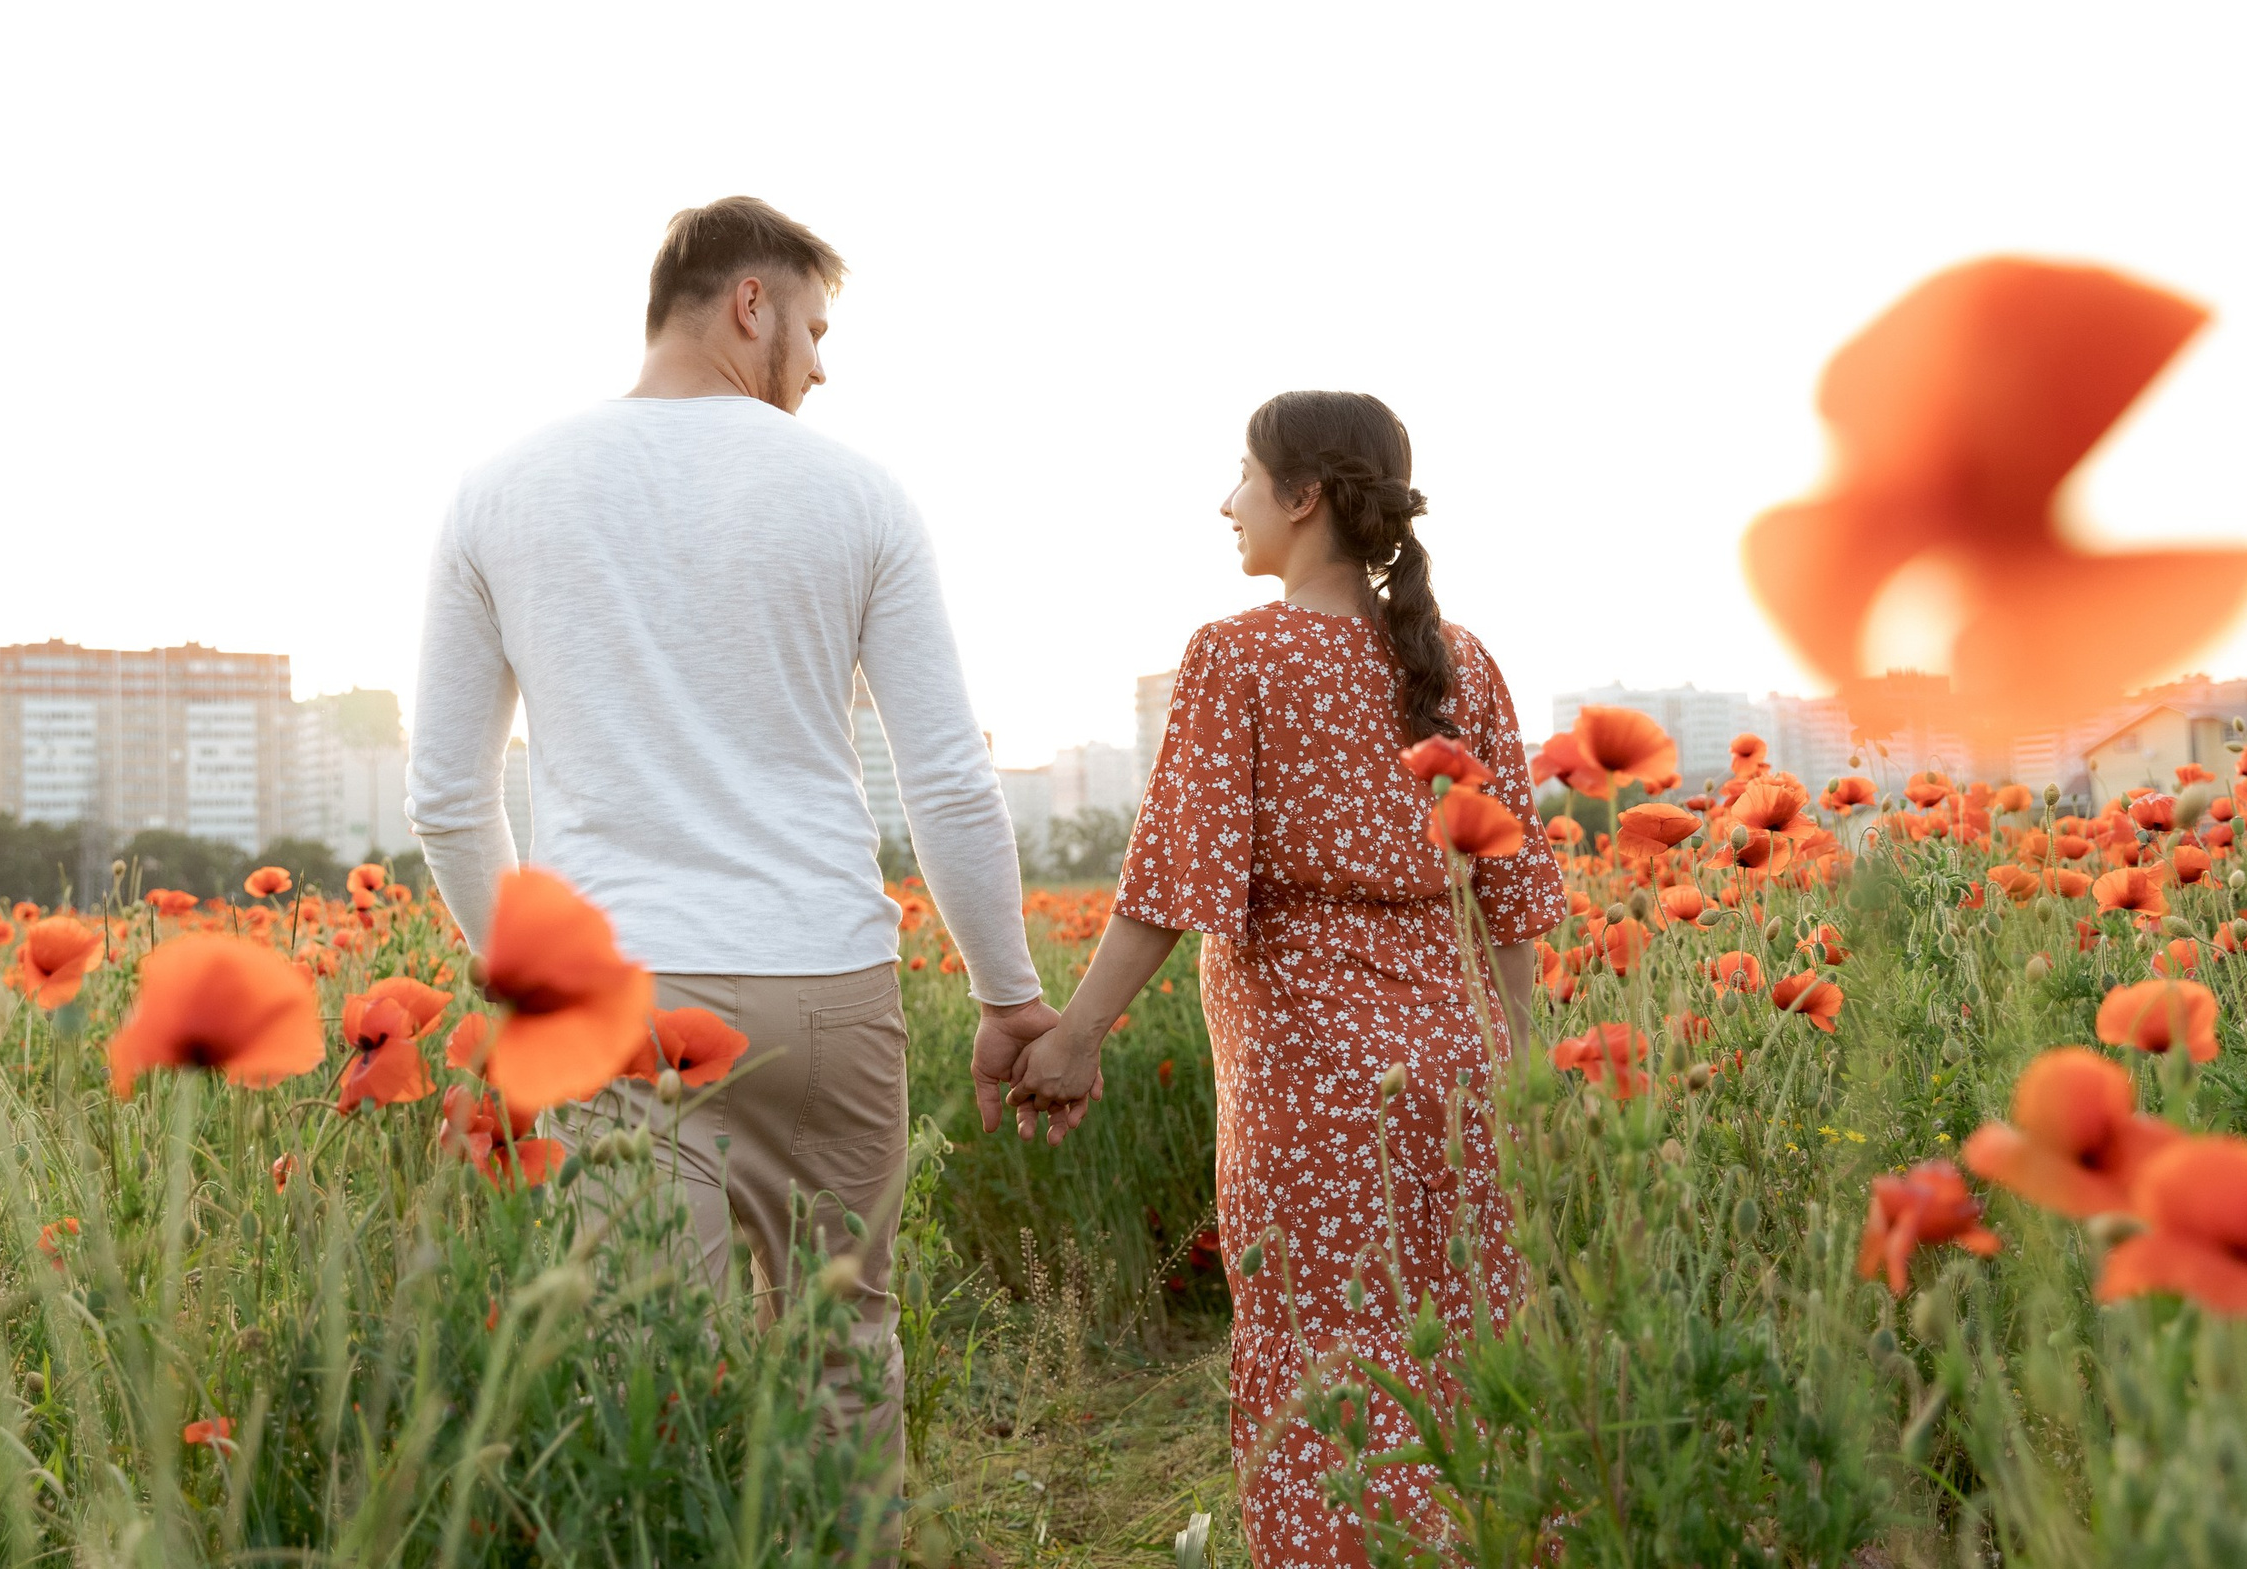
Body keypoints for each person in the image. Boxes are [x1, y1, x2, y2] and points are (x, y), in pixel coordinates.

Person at [405, 196, 1081, 1475]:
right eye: (816, 329)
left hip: (617, 996)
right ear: (747, 304)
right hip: (824, 984)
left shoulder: (498, 491)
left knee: (652, 1360)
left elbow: (446, 794)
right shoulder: (858, 494)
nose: (824, 365)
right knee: (841, 1348)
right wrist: (1008, 998)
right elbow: (943, 774)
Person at [1005, 391, 1567, 1565]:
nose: (1226, 502)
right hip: (1463, 1067)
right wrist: (1520, 1060)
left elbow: (1175, 877)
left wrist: (1077, 1037)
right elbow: (1511, 889)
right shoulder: (1463, 659)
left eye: (1243, 478)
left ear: (1304, 495)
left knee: (1324, 1365)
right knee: (1469, 1352)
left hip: (1311, 1083)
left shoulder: (1237, 654)